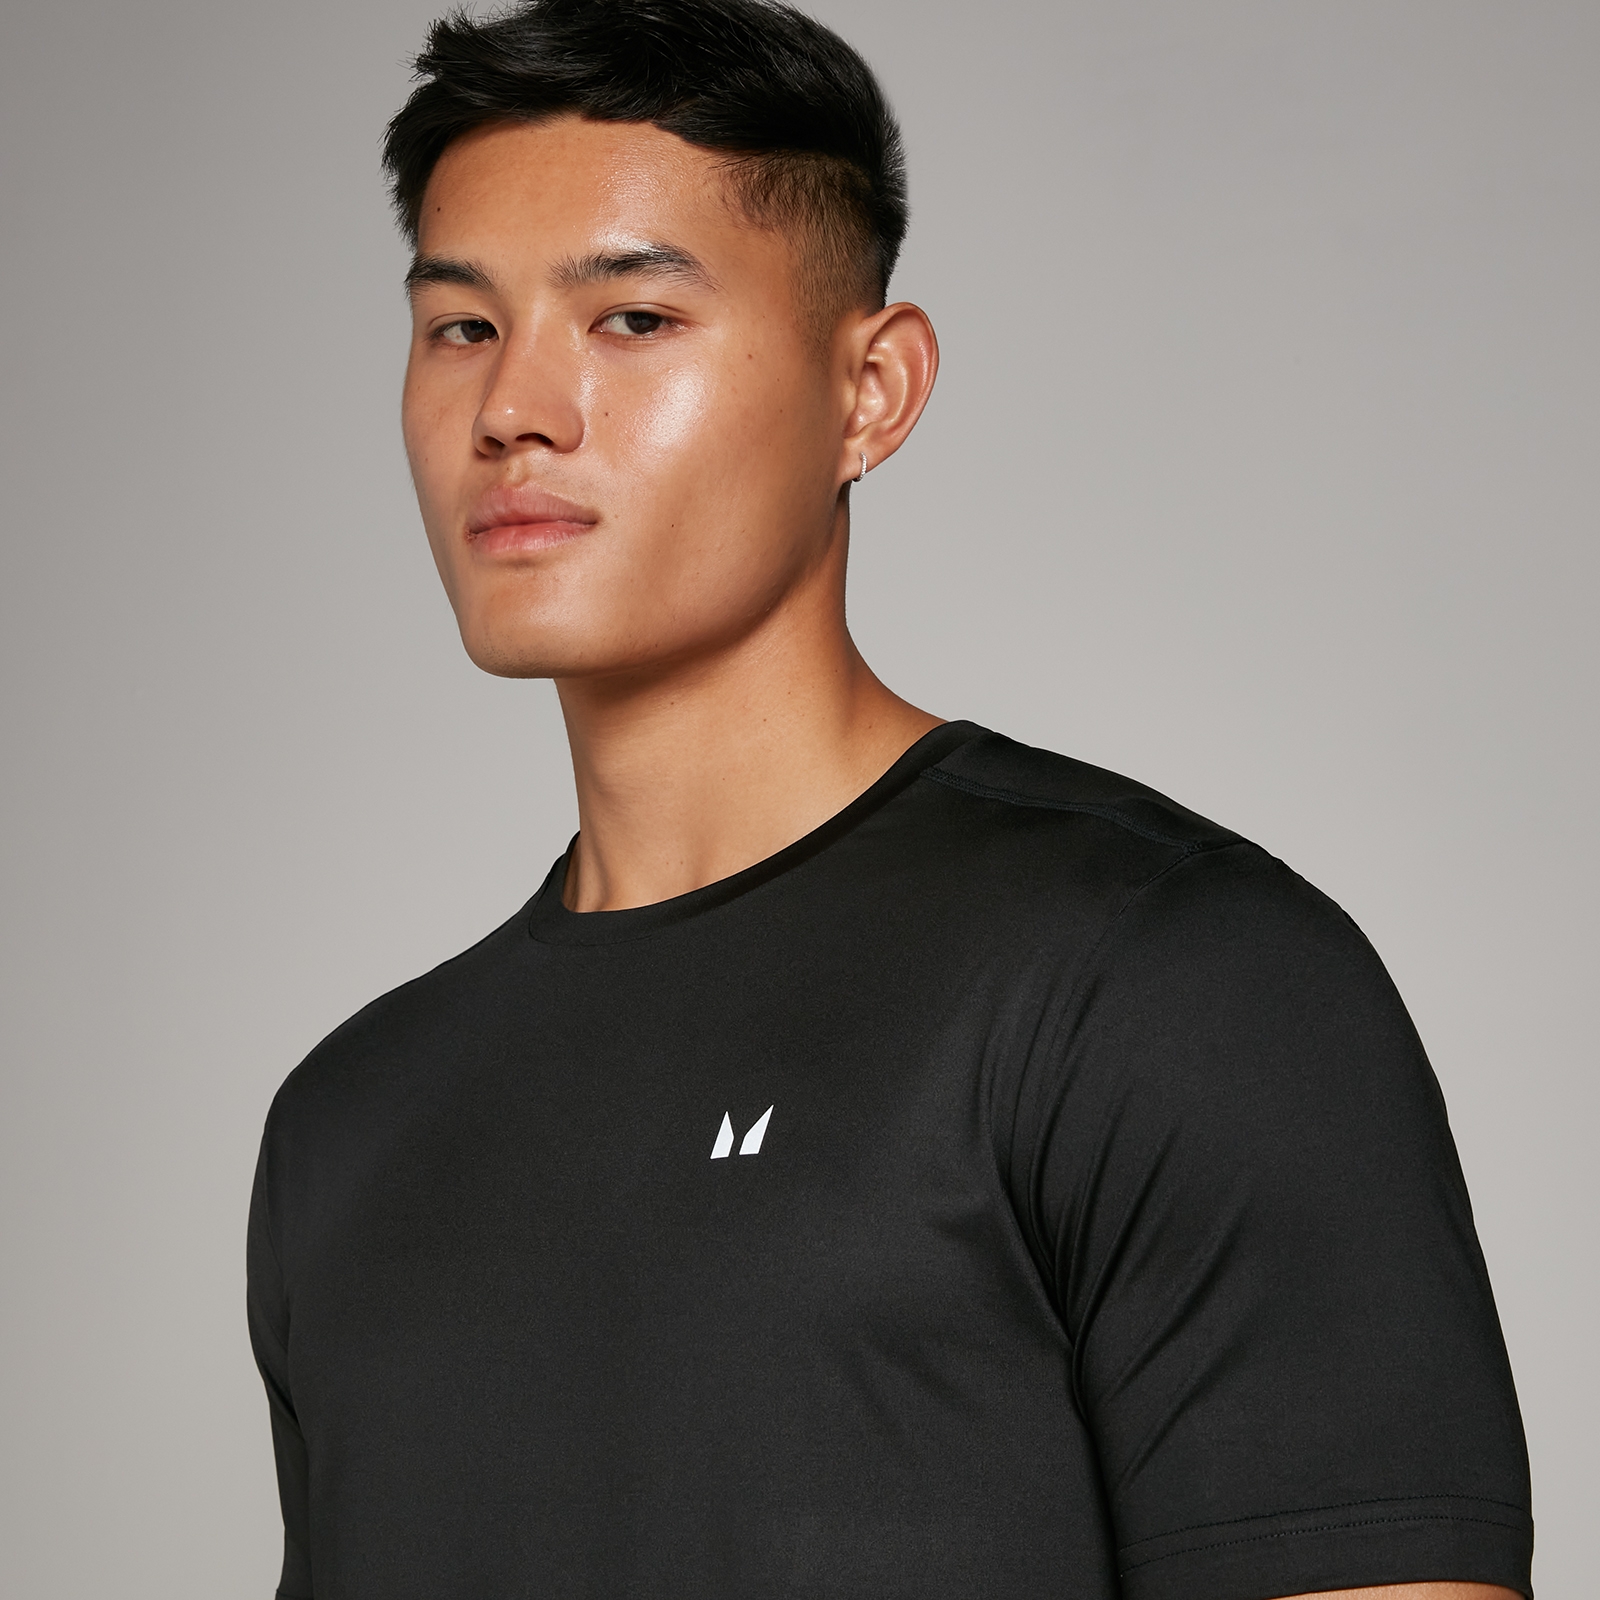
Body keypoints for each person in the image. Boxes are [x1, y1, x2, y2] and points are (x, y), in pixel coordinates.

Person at [246, 2, 1533, 1596]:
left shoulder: (1173, 984)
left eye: (632, 318)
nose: (516, 408)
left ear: (871, 390)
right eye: (460, 327)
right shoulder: (350, 1126)